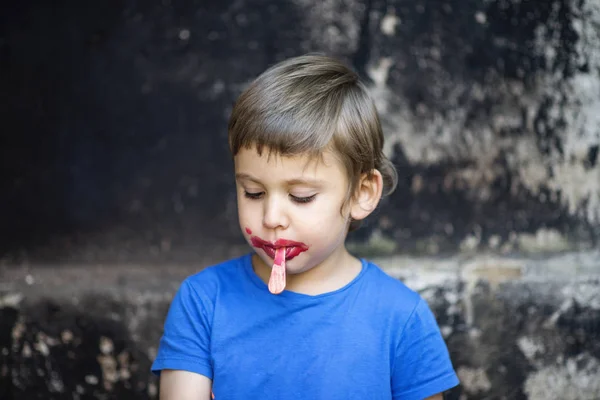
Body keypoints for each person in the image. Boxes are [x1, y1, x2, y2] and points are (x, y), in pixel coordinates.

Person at [151, 54, 459, 400]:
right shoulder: (203, 303)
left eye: (300, 196)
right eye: (253, 192)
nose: (271, 218)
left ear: (361, 193)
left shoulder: (401, 320)